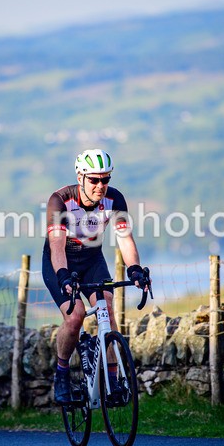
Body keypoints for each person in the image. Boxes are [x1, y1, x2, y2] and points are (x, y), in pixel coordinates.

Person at [42, 149, 150, 405]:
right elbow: (57, 245)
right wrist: (63, 276)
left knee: (107, 310)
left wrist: (135, 268)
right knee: (75, 316)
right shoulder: (60, 200)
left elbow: (125, 239)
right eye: (94, 180)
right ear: (80, 177)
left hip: (92, 260)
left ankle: (113, 382)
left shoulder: (115, 199)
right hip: (61, 262)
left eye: (105, 179)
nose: (100, 186)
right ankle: (62, 372)